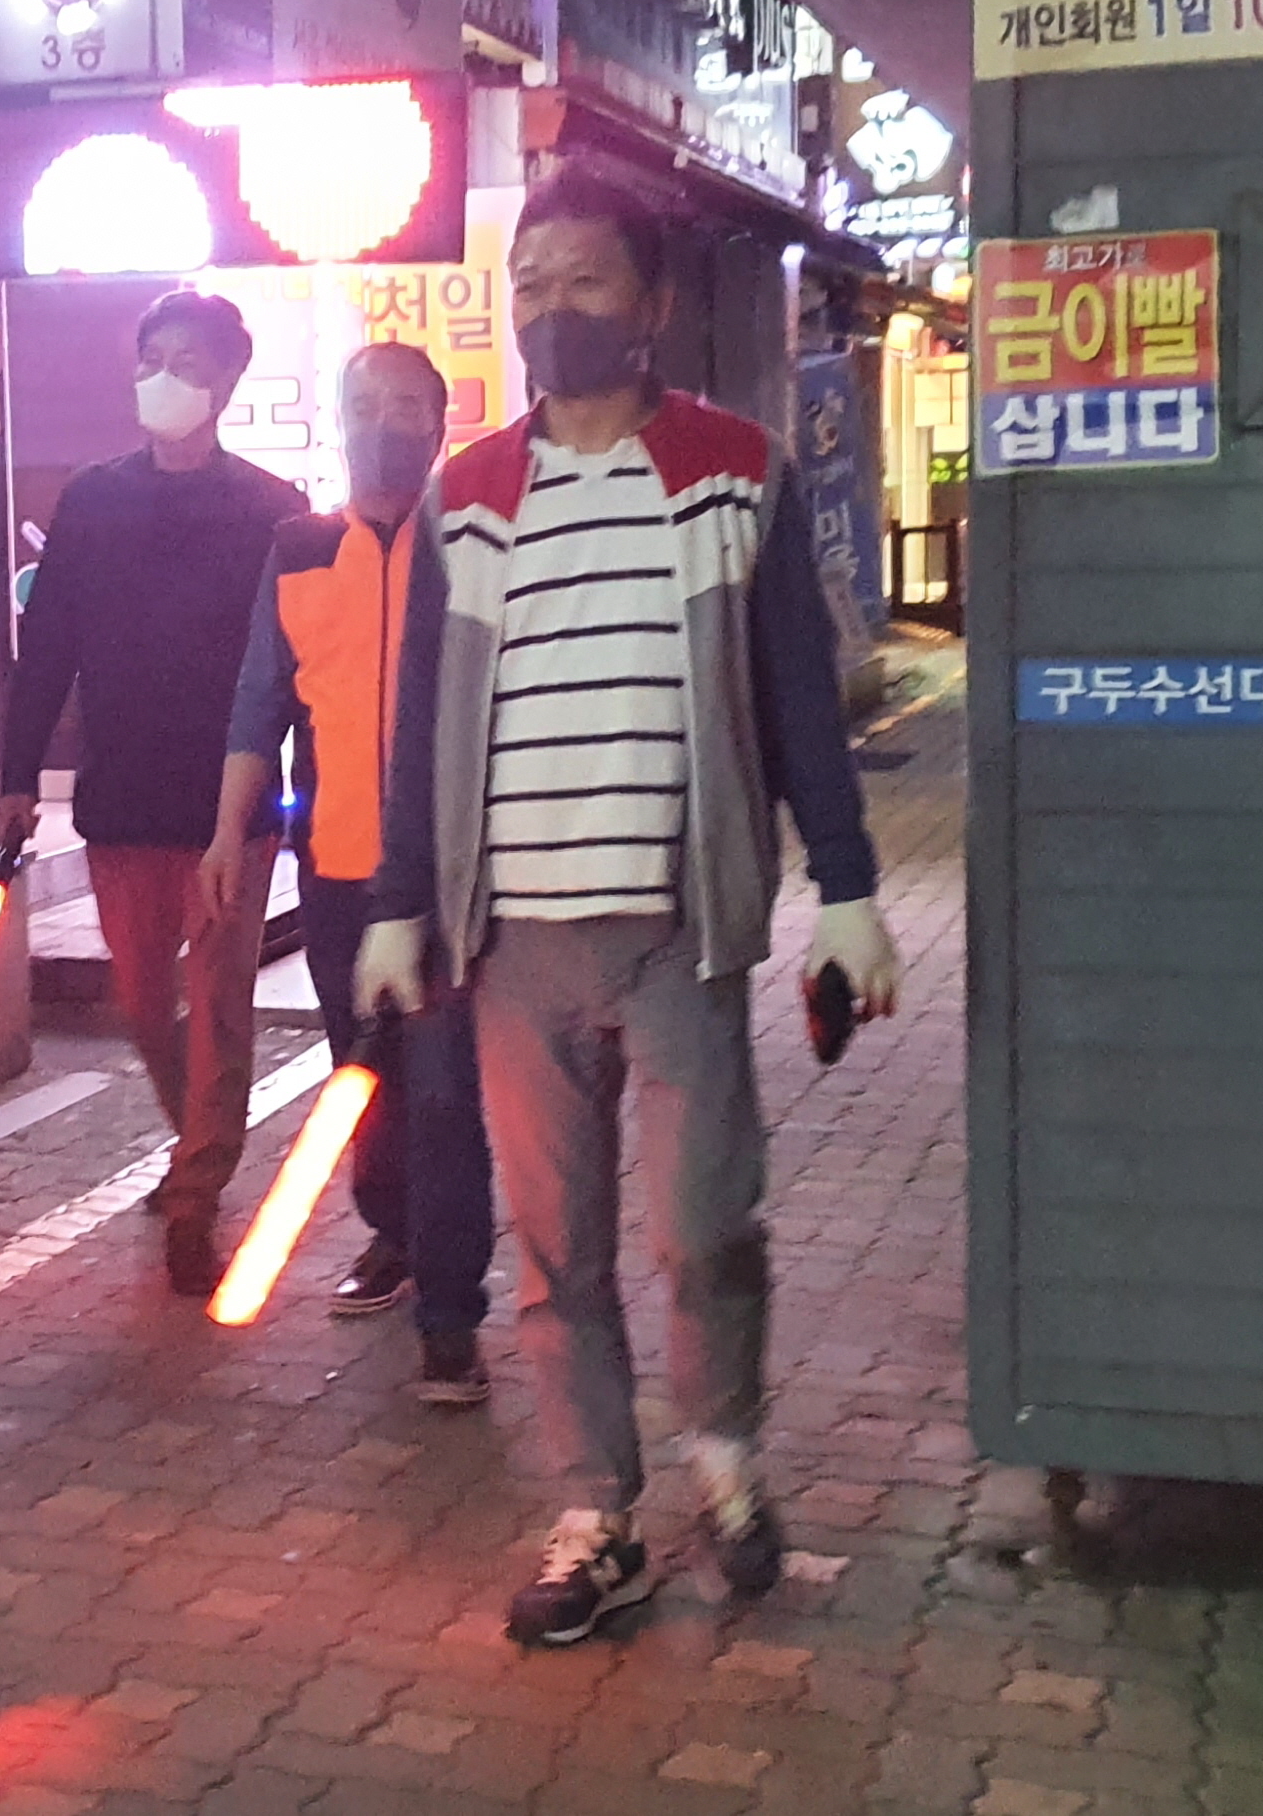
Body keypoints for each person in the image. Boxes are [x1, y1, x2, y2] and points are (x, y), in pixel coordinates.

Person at [356, 166, 902, 1643]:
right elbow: (422, 723)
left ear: (650, 302)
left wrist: (848, 888)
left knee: (706, 1225)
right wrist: (401, 902)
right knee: (557, 1253)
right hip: (514, 944)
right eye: (529, 285)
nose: (553, 310)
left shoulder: (734, 470)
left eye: (584, 281)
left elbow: (796, 695)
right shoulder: (468, 495)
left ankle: (725, 1462)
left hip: (677, 930)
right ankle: (597, 1516)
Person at [0, 291, 310, 1296]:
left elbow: (295, 666)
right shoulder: (92, 501)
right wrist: (17, 776)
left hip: (228, 812)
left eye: (187, 363)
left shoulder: (273, 510)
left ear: (227, 380)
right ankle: (196, 1149)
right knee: (143, 1006)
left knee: (219, 1009)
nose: (163, 379)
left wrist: (305, 793)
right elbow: (49, 645)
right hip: (122, 801)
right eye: (151, 359)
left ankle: (196, 1197)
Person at [203, 342, 496, 1405]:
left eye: (408, 405)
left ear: (440, 424)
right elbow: (258, 704)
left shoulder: (473, 545)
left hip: (451, 878)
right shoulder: (297, 551)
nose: (387, 422)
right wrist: (226, 835)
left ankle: (451, 1314)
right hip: (335, 872)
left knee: (446, 1092)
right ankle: (395, 1235)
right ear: (340, 418)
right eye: (367, 403)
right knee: (361, 1076)